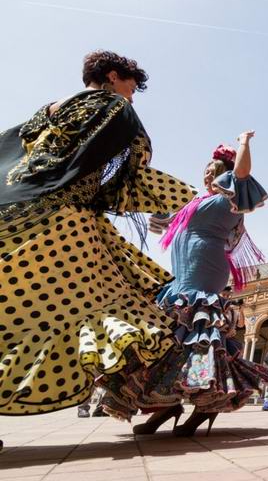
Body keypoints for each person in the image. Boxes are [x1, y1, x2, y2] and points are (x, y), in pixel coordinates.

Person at [0, 51, 195, 442]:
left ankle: (154, 398)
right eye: (131, 86)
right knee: (107, 312)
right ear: (111, 76)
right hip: (65, 226)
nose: (132, 96)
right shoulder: (111, 108)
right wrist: (185, 198)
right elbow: (127, 178)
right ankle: (157, 394)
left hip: (13, 218)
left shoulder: (46, 114)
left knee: (18, 315)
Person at [98, 134, 268, 436]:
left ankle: (205, 404)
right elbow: (158, 210)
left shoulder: (228, 200)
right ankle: (165, 403)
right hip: (181, 276)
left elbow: (243, 173)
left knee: (197, 338)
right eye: (206, 169)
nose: (208, 173)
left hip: (205, 274)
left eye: (215, 169)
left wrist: (243, 143)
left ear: (226, 175)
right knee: (169, 337)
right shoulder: (192, 202)